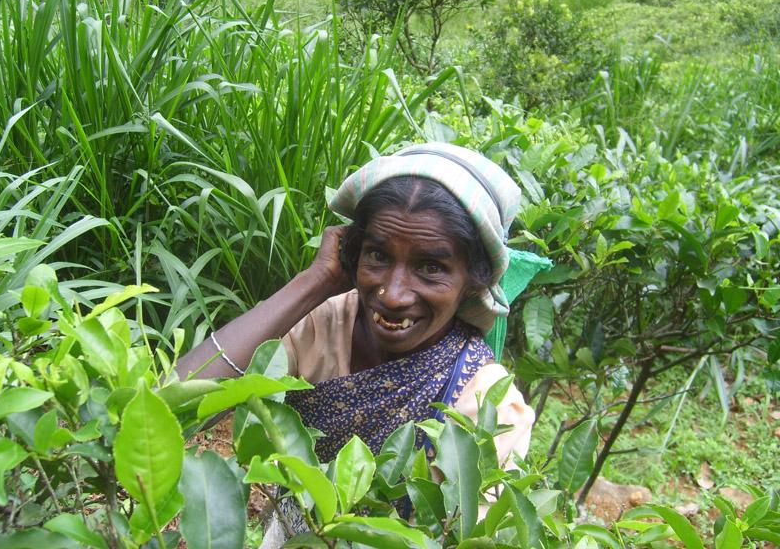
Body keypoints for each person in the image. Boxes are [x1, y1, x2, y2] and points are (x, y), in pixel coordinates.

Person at [176, 142, 550, 526]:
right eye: (378, 255)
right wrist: (314, 282)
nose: (393, 294)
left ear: (473, 279)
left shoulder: (486, 400)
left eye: (430, 267)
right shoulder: (325, 322)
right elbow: (173, 409)